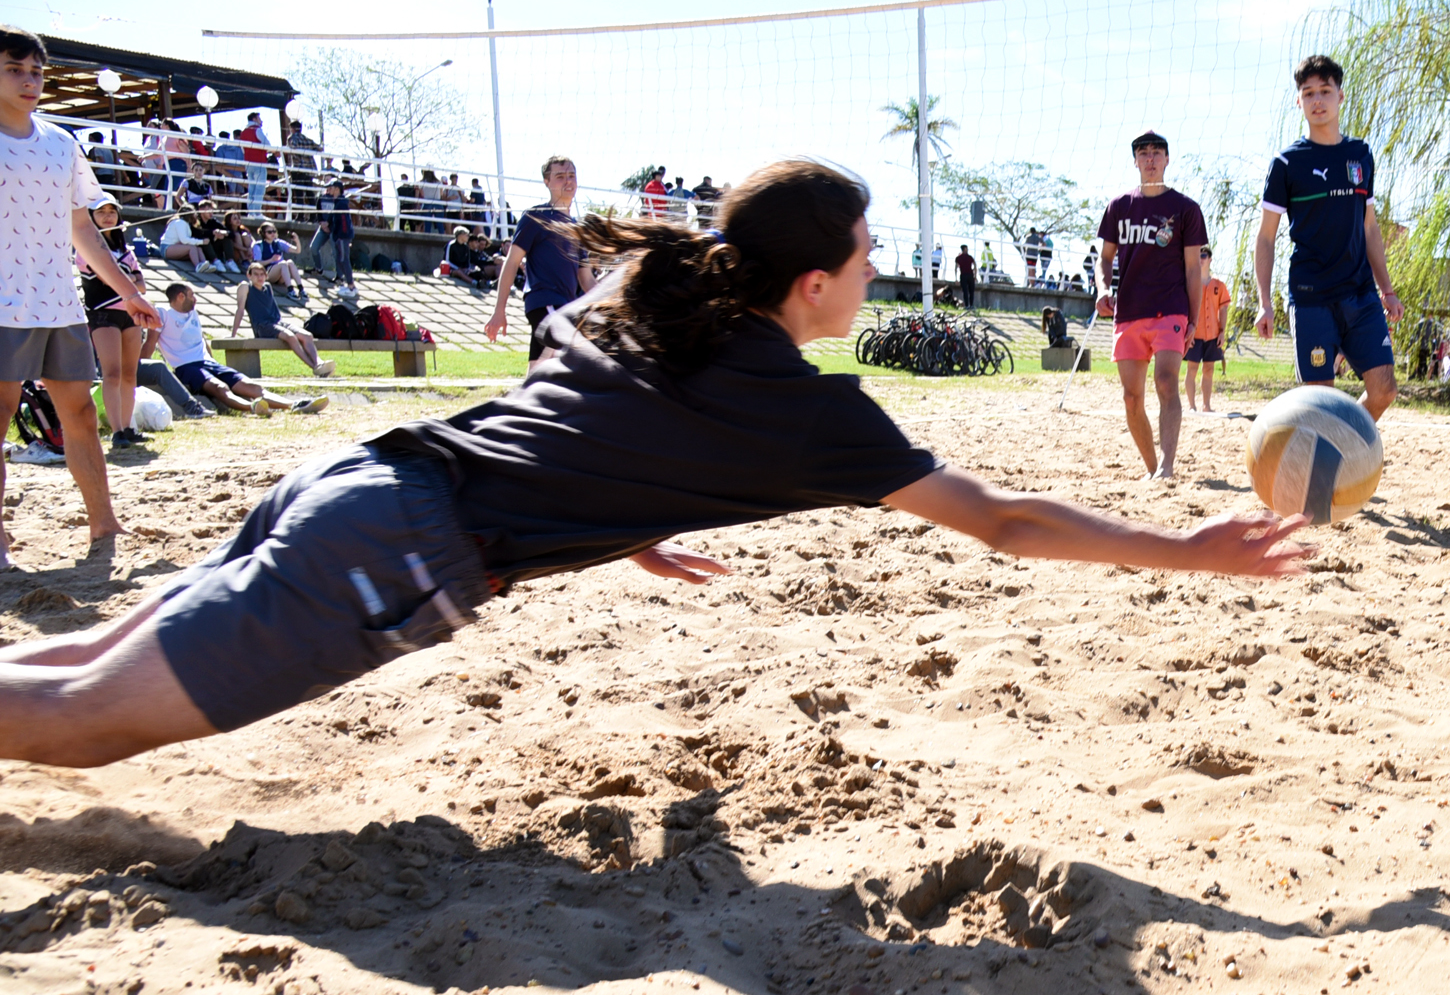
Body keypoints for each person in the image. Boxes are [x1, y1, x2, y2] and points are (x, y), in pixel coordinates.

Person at [0, 158, 1309, 768]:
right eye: (863, 254)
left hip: (358, 477)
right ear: (815, 283)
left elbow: (573, 406)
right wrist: (1182, 550)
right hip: (394, 549)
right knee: (86, 726)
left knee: (71, 662)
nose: (873, 268)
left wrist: (615, 514)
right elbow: (1007, 524)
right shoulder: (811, 414)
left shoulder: (661, 291)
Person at [0, 28, 161, 565]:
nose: (29, 81)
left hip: (60, 303)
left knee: (80, 416)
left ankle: (103, 523)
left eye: (36, 72)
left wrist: (127, 292)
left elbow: (83, 232)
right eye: (14, 69)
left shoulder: (61, 143)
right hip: (1, 305)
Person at [1253, 54, 1404, 421]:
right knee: (1320, 403)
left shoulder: (1360, 155)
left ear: (1340, 96)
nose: (1317, 100)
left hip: (1360, 294)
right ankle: (1329, 466)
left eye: (1325, 91)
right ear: (1299, 101)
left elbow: (1369, 226)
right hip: (1311, 297)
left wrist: (1387, 289)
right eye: (1308, 93)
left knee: (1384, 389)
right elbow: (1266, 238)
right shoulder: (1287, 163)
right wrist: (1264, 302)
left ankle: (1346, 443)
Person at [1096, 130, 1207, 480]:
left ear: (1167, 159)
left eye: (1157, 152)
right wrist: (1102, 288)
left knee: (1165, 381)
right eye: (1143, 153)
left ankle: (1168, 466)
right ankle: (1152, 468)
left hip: (1170, 309)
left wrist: (1192, 318)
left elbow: (1194, 268)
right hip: (1128, 311)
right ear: (1135, 161)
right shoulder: (1118, 206)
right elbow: (1105, 258)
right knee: (1131, 398)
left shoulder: (1186, 209)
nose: (1150, 158)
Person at [158, 283, 322, 417]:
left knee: (250, 385)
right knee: (220, 388)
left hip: (207, 363)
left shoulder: (192, 313)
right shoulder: (164, 314)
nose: (195, 299)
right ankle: (253, 407)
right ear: (181, 296)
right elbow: (152, 342)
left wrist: (214, 362)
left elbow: (202, 340)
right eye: (191, 294)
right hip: (186, 367)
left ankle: (293, 405)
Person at [485, 155, 589, 361]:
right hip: (546, 302)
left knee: (538, 375)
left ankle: (526, 392)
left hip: (565, 306)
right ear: (547, 182)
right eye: (560, 176)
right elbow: (512, 262)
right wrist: (499, 311)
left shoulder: (579, 228)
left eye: (571, 175)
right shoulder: (537, 216)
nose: (568, 181)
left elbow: (587, 280)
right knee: (569, 362)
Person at [79, 197, 152, 449]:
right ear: (91, 217)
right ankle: (117, 430)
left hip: (130, 315)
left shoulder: (126, 250)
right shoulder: (85, 248)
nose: (108, 216)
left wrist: (126, 279)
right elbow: (107, 278)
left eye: (112, 211)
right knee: (112, 373)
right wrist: (128, 278)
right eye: (101, 212)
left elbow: (140, 285)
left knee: (130, 374)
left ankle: (128, 427)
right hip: (103, 315)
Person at [229, 261, 333, 378]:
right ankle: (314, 367)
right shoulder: (245, 287)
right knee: (290, 337)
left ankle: (319, 363)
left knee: (307, 335)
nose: (260, 277)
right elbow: (240, 310)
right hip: (262, 326)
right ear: (249, 276)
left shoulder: (267, 287)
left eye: (262, 274)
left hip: (278, 323)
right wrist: (233, 334)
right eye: (256, 274)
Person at [1184, 245, 1231, 412]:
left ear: (1210, 259)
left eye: (1204, 255)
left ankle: (1207, 405)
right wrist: (1185, 332)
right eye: (1198, 255)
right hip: (1194, 334)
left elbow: (1223, 309)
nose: (1201, 258)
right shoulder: (1189, 283)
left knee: (1209, 370)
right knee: (1192, 368)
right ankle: (1191, 405)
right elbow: (1184, 308)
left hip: (1212, 334)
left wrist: (1222, 332)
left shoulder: (1219, 285)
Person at [308, 176, 356, 288]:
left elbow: (342, 219)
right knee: (314, 247)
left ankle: (342, 279)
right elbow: (319, 211)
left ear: (336, 189)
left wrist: (337, 231)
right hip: (324, 227)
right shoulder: (323, 198)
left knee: (339, 256)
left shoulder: (341, 202)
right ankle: (319, 268)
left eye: (330, 187)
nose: (328, 189)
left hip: (336, 232)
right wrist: (322, 223)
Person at [249, 220, 303, 294]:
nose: (273, 234)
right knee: (283, 263)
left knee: (290, 262)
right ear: (263, 233)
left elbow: (297, 251)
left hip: (281, 275)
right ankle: (290, 290)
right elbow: (257, 263)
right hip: (268, 273)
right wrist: (271, 260)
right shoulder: (258, 245)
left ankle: (301, 288)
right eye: (269, 232)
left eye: (274, 231)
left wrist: (297, 240)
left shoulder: (279, 243)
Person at [955, 243, 977, 309]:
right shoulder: (970, 257)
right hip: (970, 275)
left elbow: (956, 268)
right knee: (971, 291)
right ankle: (971, 305)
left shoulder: (958, 258)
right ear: (965, 249)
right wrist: (975, 275)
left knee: (965, 291)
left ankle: (967, 305)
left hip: (963, 275)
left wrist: (956, 278)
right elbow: (975, 265)